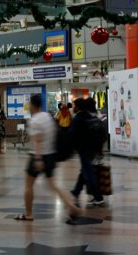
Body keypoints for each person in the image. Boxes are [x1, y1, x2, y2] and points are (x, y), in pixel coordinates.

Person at [15, 94, 83, 223]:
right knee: (53, 185)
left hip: (38, 156)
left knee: (28, 185)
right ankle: (72, 207)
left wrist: (38, 159)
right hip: (51, 156)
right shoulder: (48, 117)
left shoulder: (34, 121)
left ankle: (28, 214)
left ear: (33, 105)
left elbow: (37, 141)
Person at [68, 97, 104, 207]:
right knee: (85, 170)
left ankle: (98, 197)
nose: (73, 108)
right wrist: (99, 149)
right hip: (93, 149)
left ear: (78, 107)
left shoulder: (78, 119)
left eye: (74, 106)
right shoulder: (91, 117)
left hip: (84, 149)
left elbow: (71, 134)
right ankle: (76, 191)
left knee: (88, 172)